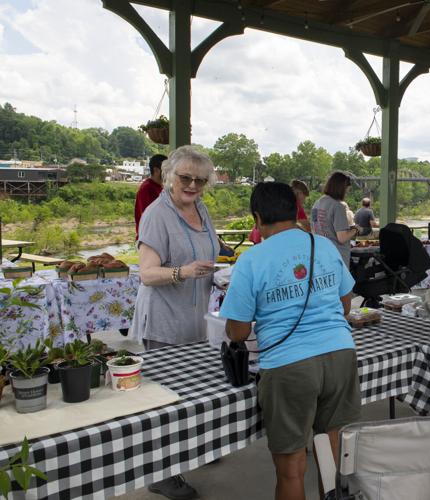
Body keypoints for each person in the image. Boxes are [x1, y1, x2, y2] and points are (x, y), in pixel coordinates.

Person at [222, 182, 360, 500]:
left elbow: (239, 332)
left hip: (289, 366)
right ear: (295, 210)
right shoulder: (323, 246)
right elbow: (345, 304)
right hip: (340, 354)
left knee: (291, 469)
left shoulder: (251, 261)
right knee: (338, 459)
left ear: (257, 218)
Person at [130, 146, 219, 499]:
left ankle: (190, 450)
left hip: (195, 316)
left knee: (192, 391)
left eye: (200, 180)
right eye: (186, 177)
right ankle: (161, 474)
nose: (193, 185)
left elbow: (209, 249)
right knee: (164, 400)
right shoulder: (156, 214)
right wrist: (184, 271)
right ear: (170, 176)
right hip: (165, 318)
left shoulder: (202, 208)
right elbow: (147, 274)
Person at [311, 171, 358, 263]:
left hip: (320, 253)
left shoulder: (316, 204)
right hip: (337, 256)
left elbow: (314, 229)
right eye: (346, 189)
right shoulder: (338, 206)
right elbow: (342, 238)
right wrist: (355, 230)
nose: (347, 192)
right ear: (341, 188)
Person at [249, 179, 310, 243]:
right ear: (298, 193)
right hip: (269, 236)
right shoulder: (295, 206)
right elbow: (307, 228)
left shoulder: (278, 202)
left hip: (258, 234)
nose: (304, 200)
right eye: (304, 196)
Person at [134, 154, 167, 238]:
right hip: (150, 239)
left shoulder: (160, 187)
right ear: (156, 170)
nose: (169, 173)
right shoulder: (147, 188)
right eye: (167, 170)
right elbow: (151, 219)